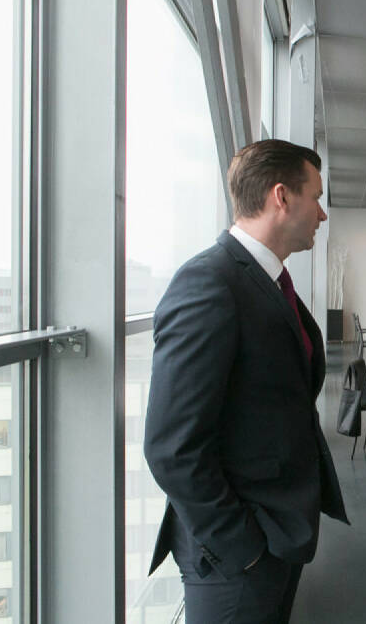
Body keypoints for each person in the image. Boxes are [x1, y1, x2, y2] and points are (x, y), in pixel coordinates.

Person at [143, 139, 348, 624]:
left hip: (276, 534)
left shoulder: (268, 281)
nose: (321, 214)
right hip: (234, 555)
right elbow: (172, 447)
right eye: (315, 197)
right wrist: (245, 548)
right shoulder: (209, 282)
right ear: (282, 196)